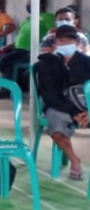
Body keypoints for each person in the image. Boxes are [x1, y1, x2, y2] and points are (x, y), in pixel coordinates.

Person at [37, 25, 90, 181]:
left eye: (69, 40)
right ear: (55, 43)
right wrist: (74, 113)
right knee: (54, 122)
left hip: (86, 107)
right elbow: (50, 95)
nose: (65, 43)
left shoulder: (86, 62)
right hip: (60, 106)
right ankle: (74, 160)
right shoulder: (48, 63)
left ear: (77, 42)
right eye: (61, 40)